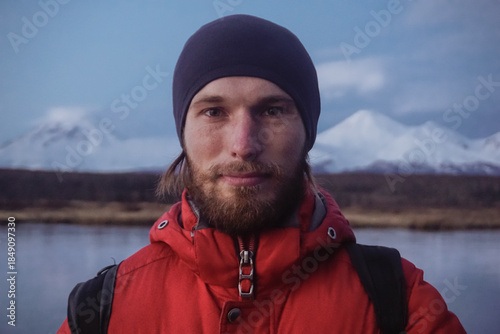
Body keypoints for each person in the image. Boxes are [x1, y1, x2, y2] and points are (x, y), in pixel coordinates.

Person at [58, 14, 465, 333]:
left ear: (309, 132)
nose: (243, 144)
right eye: (213, 112)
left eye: (273, 110)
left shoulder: (399, 302)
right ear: (183, 132)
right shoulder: (101, 310)